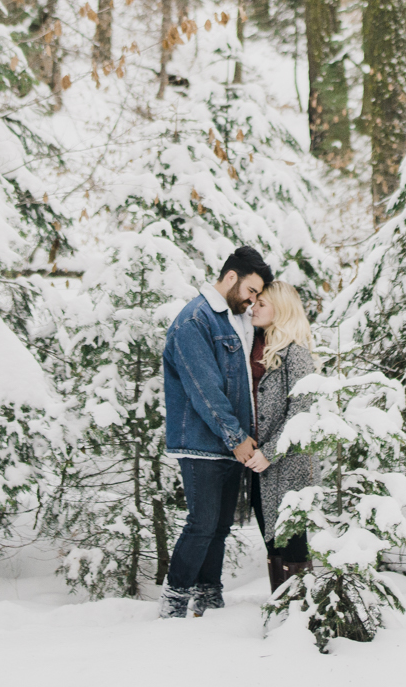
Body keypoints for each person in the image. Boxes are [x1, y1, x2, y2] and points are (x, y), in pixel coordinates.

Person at [159, 246, 273, 618]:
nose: (253, 300)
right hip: (203, 443)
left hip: (229, 443)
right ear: (229, 278)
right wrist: (236, 437)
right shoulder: (195, 321)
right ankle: (174, 600)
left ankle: (209, 594)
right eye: (251, 290)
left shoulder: (233, 319)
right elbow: (204, 390)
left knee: (220, 526)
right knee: (202, 524)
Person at [248, 281, 318, 593]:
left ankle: (302, 613)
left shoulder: (297, 354)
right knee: (272, 542)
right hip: (260, 465)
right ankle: (281, 607)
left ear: (281, 309)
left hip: (287, 465)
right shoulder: (258, 348)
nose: (254, 307)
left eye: (261, 303)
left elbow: (301, 413)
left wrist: (270, 452)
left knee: (291, 542)